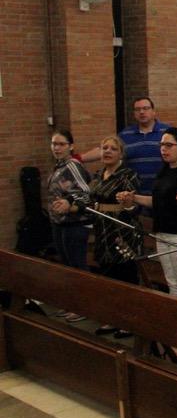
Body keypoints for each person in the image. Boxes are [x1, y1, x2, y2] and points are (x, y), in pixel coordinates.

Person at [118, 127, 177, 301]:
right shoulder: (164, 172)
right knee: (172, 284)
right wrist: (133, 197)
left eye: (169, 145)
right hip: (163, 233)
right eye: (161, 145)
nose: (163, 149)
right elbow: (157, 202)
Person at [76, 136, 142, 337]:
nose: (107, 152)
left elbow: (131, 206)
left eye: (113, 149)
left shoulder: (127, 175)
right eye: (104, 148)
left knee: (125, 277)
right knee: (107, 277)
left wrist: (106, 206)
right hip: (102, 231)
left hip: (121, 231)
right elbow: (88, 198)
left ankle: (128, 321)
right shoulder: (97, 174)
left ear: (121, 154)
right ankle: (112, 318)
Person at [48, 128, 93, 323]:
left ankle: (85, 307)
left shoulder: (73, 165)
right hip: (59, 222)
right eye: (54, 144)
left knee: (78, 266)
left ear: (71, 146)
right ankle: (72, 303)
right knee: (66, 265)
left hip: (75, 223)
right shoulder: (59, 166)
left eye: (61, 144)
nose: (56, 148)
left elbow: (86, 192)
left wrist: (68, 201)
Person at [82, 97, 170, 195]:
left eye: (146, 108)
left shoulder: (167, 132)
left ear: (153, 111)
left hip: (162, 192)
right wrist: (78, 158)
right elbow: (105, 150)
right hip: (134, 193)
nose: (141, 112)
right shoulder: (125, 134)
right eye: (137, 109)